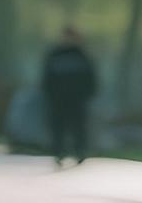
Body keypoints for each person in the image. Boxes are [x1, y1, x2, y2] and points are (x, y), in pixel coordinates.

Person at [40, 26, 98, 163]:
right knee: (57, 126)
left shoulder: (82, 55)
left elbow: (90, 77)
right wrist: (48, 93)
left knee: (79, 126)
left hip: (77, 98)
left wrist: (89, 93)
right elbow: (47, 77)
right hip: (58, 98)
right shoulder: (54, 55)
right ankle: (58, 152)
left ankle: (80, 151)